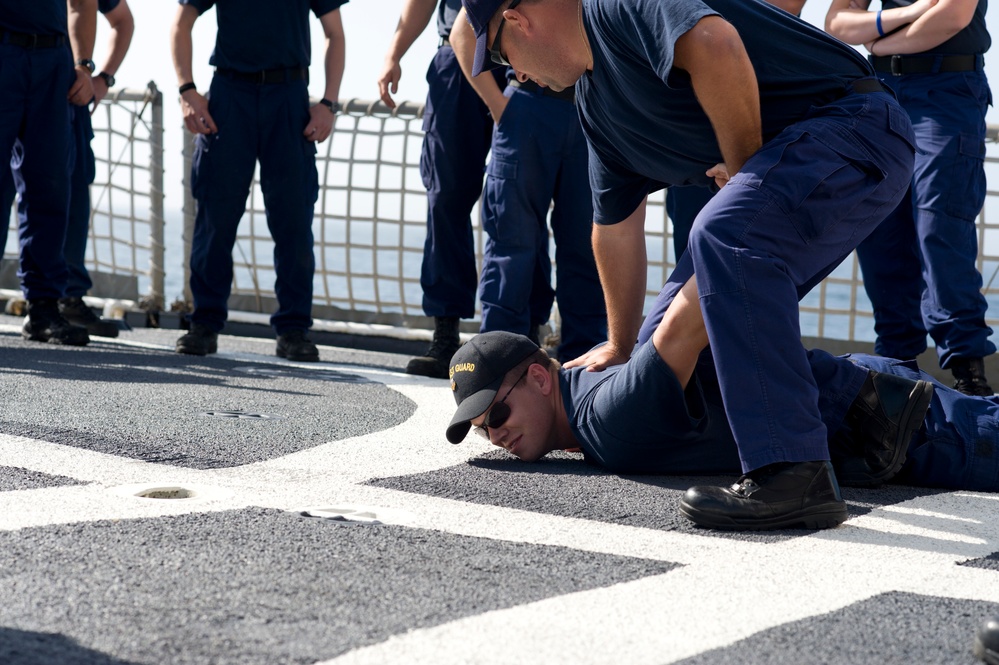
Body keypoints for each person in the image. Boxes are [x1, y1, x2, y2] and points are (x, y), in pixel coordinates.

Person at [459, 0, 916, 531]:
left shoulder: (614, 8)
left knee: (723, 234)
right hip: (809, 155)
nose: (514, 74)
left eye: (499, 55)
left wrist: (746, 175)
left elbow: (716, 44)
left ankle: (793, 470)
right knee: (664, 340)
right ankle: (873, 405)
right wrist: (621, 344)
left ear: (517, 21)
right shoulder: (596, 107)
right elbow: (614, 227)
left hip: (854, 126)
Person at [445, 331, 999, 525]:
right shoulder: (592, 391)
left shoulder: (608, 414)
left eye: (496, 414)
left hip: (906, 428)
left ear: (541, 378)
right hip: (864, 403)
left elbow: (698, 303)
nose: (494, 435)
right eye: (479, 429)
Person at [825, 0, 994, 397]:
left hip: (948, 90)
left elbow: (953, 16)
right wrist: (909, 14)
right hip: (881, 92)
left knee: (940, 229)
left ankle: (970, 378)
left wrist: (878, 41)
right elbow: (837, 23)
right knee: (880, 234)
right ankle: (896, 377)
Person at [170, 0, 347, 361]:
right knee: (215, 219)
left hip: (289, 97)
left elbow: (335, 33)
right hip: (229, 96)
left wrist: (329, 103)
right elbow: (180, 24)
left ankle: (294, 330)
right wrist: (187, 90)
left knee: (294, 221)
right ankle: (204, 323)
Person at [448, 9, 606, 361]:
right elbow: (463, 30)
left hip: (592, 110)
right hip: (530, 105)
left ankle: (585, 367)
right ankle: (500, 360)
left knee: (591, 244)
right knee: (512, 242)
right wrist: (499, 105)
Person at [379, 0, 508, 379]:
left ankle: (517, 337)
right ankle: (445, 335)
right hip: (458, 60)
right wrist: (393, 53)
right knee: (445, 199)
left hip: (523, 63)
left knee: (515, 205)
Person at [0, 0, 133, 339]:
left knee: (50, 186)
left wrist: (85, 68)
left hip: (54, 61)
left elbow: (81, 4)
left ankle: (44, 308)